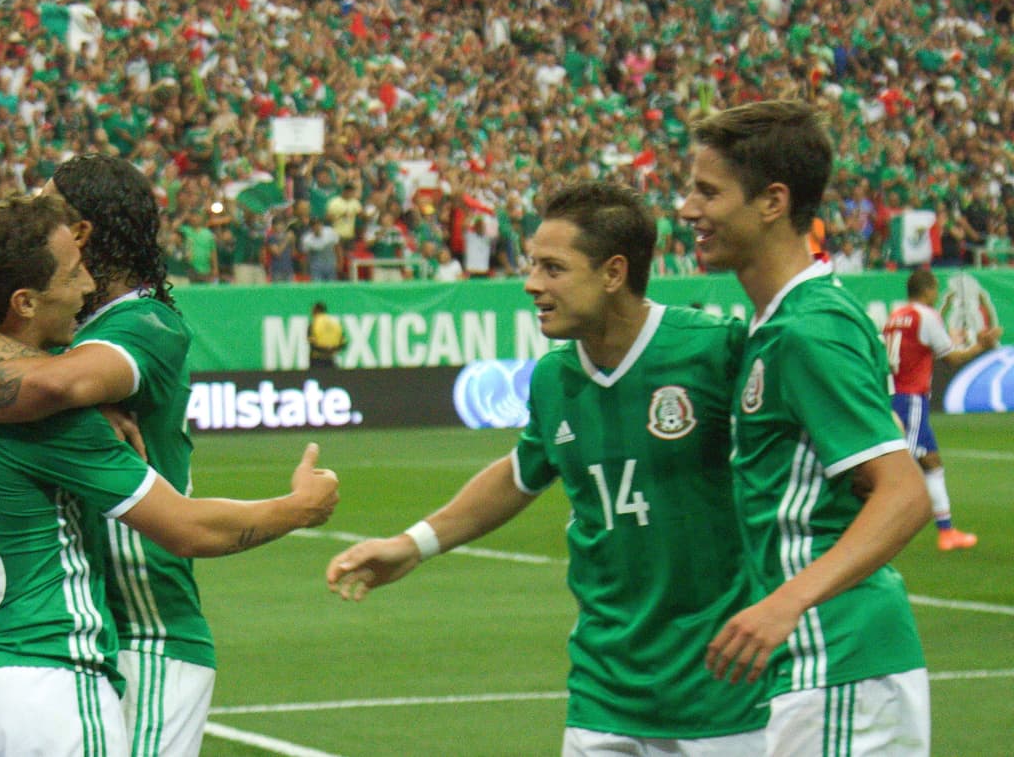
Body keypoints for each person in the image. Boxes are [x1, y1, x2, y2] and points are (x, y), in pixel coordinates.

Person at [0, 155, 329, 756]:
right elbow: (46, 379)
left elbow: (58, 386)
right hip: (75, 643)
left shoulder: (142, 324)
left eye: (49, 208)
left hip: (147, 630)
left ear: (83, 233)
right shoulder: (59, 351)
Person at [327, 181, 767, 754]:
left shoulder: (717, 351)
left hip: (722, 695)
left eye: (553, 268)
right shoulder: (553, 377)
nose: (532, 284)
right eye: (534, 265)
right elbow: (521, 472)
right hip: (603, 692)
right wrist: (414, 544)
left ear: (613, 273)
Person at [680, 99, 932, 755]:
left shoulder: (809, 329)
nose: (687, 210)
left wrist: (784, 602)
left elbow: (903, 494)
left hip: (839, 655)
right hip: (818, 665)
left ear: (772, 201)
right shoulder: (778, 324)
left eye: (708, 191)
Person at [884, 266, 1003, 551]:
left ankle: (946, 531)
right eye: (935, 288)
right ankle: (858, 528)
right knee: (894, 469)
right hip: (910, 398)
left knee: (932, 463)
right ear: (927, 289)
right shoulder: (926, 316)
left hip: (896, 395)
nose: (937, 294)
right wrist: (982, 346)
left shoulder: (895, 317)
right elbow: (951, 358)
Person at [308, 301, 347, 369]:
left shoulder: (314, 324)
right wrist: (332, 350)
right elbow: (344, 343)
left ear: (315, 311)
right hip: (331, 360)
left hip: (317, 360)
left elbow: (312, 343)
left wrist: (324, 350)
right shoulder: (336, 324)